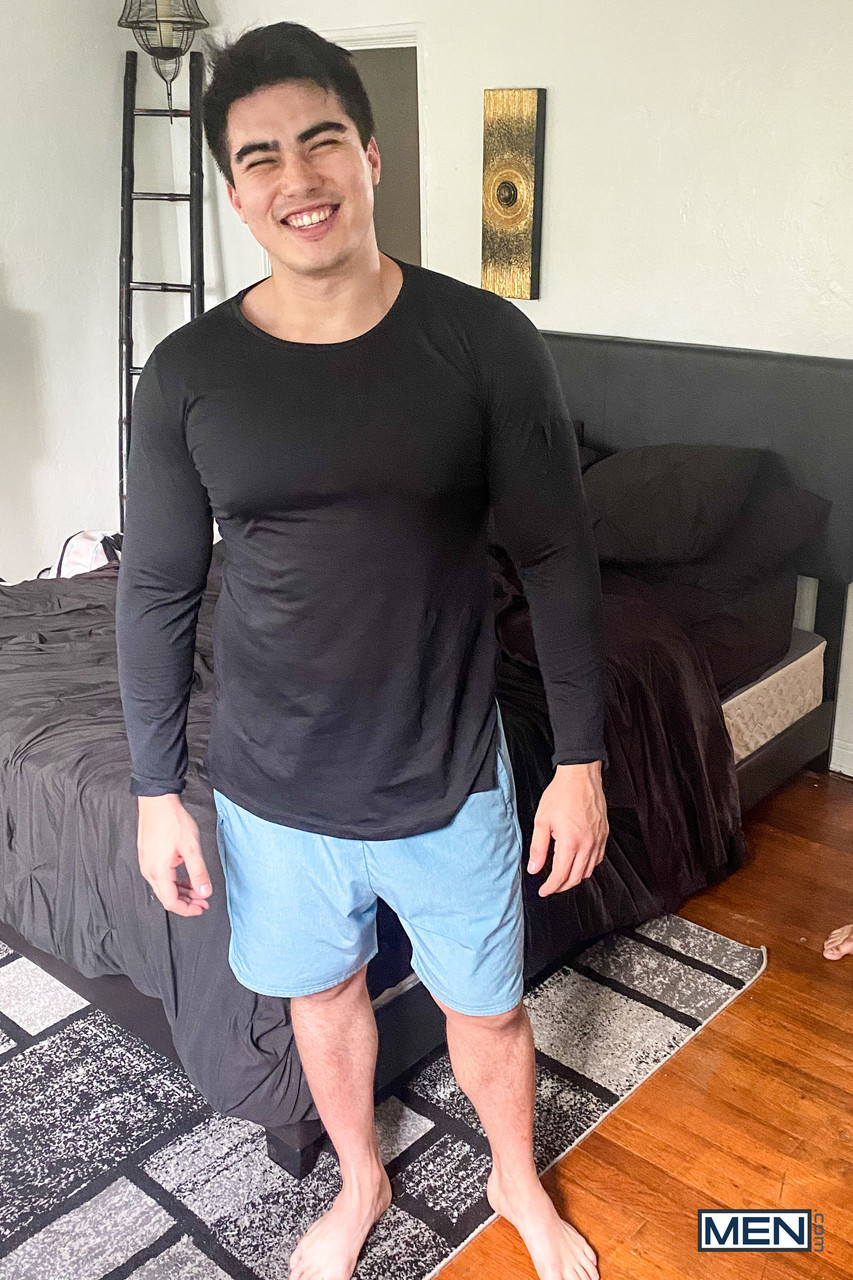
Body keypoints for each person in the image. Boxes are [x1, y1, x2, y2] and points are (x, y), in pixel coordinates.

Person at [116, 21, 609, 1280]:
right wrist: (155, 787)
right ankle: (361, 1177)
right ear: (235, 193)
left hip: (446, 773)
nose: (299, 177)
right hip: (272, 786)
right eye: (261, 157)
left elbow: (557, 556)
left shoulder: (484, 339)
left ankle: (513, 1176)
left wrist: (581, 760)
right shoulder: (186, 373)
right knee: (321, 995)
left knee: (487, 1005)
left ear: (370, 154)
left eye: (321, 139)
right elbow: (158, 587)